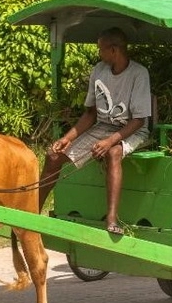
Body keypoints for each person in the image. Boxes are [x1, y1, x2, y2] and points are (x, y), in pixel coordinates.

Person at [38, 27, 152, 235]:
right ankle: (32, 211)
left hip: (132, 130)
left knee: (113, 153)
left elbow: (139, 121)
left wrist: (109, 142)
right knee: (53, 156)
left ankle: (111, 219)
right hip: (103, 127)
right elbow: (90, 114)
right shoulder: (98, 71)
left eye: (101, 49)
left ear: (114, 50)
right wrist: (67, 138)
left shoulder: (138, 73)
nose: (98, 53)